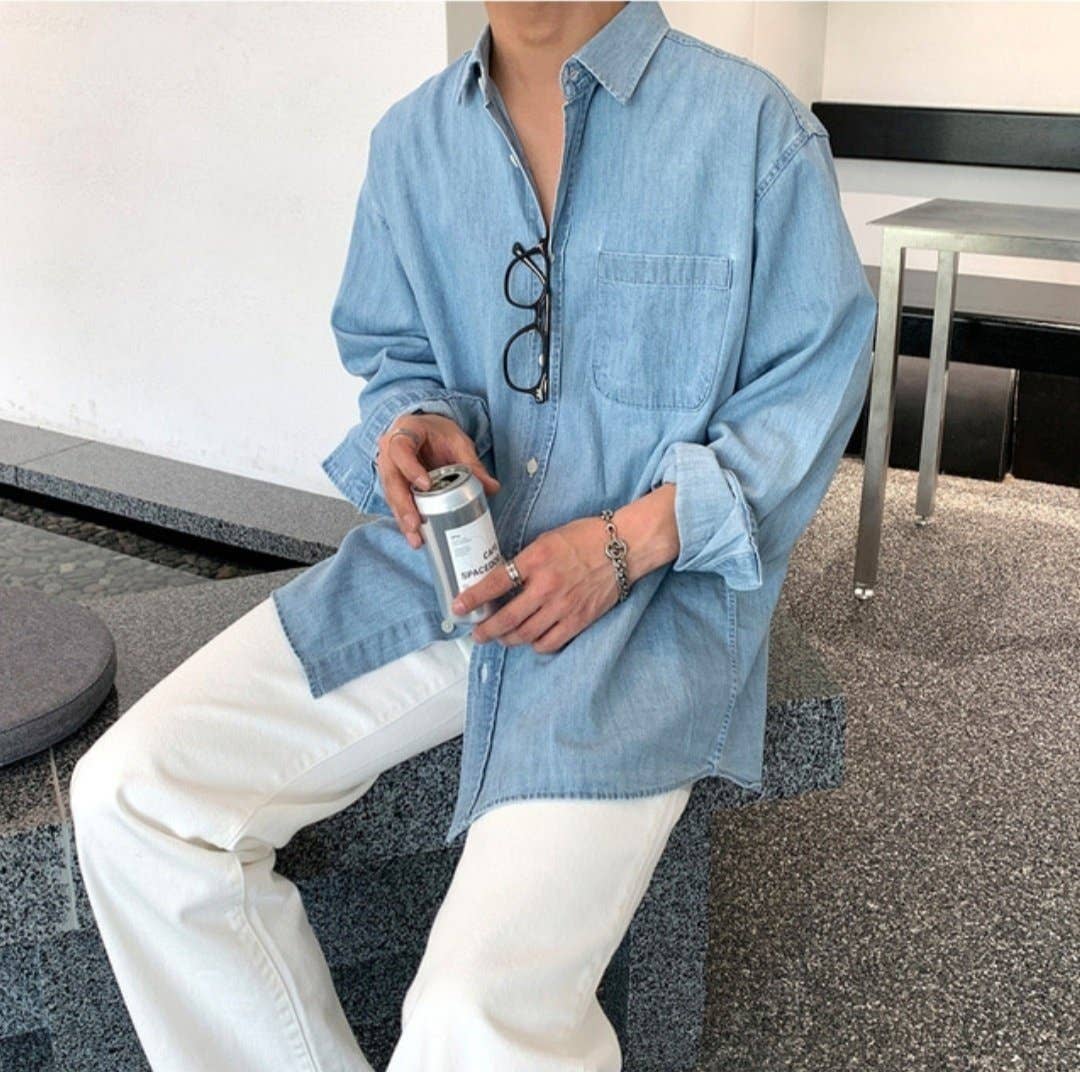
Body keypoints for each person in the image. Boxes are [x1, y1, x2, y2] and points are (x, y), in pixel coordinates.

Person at [69, 2, 877, 1069]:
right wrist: (412, 422)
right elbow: (391, 348)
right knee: (133, 797)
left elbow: (809, 386)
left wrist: (626, 543)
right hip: (440, 576)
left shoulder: (752, 131)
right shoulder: (412, 142)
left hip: (640, 614)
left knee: (473, 1017)